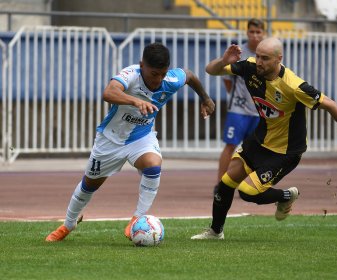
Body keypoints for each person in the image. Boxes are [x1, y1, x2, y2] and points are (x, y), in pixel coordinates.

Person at [191, 37, 337, 240]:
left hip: (285, 152)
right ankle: (216, 231)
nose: (258, 61)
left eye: (265, 58)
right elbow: (210, 70)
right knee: (226, 182)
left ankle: (287, 196)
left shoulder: (294, 86)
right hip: (259, 140)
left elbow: (331, 104)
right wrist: (223, 61)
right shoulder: (250, 67)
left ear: (278, 59)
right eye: (257, 56)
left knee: (247, 192)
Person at [45, 42, 215, 242]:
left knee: (153, 165)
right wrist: (135, 101)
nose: (158, 80)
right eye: (153, 74)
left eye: (162, 74)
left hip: (141, 136)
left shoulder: (170, 79)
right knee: (89, 184)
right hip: (110, 139)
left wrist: (205, 97)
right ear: (141, 65)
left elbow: (190, 75)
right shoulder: (131, 74)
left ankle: (137, 218)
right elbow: (108, 92)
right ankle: (68, 224)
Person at [214, 18, 264, 195]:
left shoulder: (266, 54)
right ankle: (220, 185)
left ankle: (251, 187)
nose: (255, 35)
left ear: (263, 33)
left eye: (258, 32)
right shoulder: (240, 52)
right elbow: (227, 80)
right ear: (247, 33)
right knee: (230, 146)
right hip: (239, 111)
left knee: (254, 150)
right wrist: (239, 99)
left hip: (259, 112)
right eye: (252, 32)